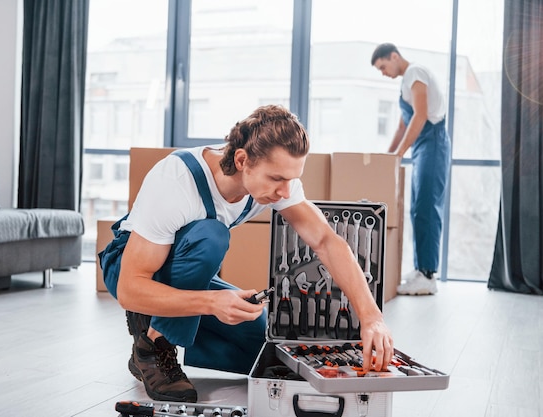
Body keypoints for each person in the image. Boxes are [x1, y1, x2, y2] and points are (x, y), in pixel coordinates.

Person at [98, 104, 394, 403]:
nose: (286, 191)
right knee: (210, 236)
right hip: (129, 266)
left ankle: (162, 325)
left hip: (186, 273)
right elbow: (129, 288)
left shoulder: (272, 184)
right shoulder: (177, 181)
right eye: (277, 179)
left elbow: (327, 242)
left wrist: (372, 317)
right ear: (242, 160)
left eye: (292, 179)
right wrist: (212, 302)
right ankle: (152, 347)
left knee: (268, 355)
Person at [371, 43, 452, 296]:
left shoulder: (415, 73)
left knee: (427, 208)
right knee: (418, 209)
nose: (383, 73)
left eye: (383, 66)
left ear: (394, 56)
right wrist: (387, 157)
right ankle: (421, 269)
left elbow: (420, 115)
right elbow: (402, 126)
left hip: (433, 143)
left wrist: (400, 153)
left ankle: (428, 275)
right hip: (422, 147)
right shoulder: (405, 82)